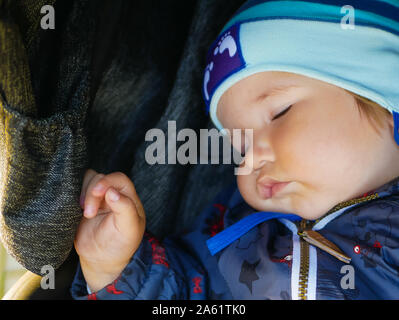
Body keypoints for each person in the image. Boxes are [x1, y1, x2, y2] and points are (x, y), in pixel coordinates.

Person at [71, 0, 399, 300]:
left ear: (387, 102)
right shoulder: (233, 235)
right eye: (239, 148)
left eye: (280, 112)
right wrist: (113, 266)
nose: (251, 160)